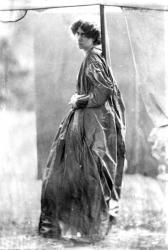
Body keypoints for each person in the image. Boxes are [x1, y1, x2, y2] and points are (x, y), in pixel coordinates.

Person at [39, 20, 126, 241]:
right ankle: (83, 226)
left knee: (89, 172)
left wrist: (80, 100)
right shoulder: (91, 57)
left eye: (83, 34)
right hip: (87, 119)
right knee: (77, 171)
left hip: (93, 121)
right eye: (76, 34)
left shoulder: (93, 59)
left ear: (93, 37)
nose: (79, 38)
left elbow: (104, 91)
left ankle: (92, 228)